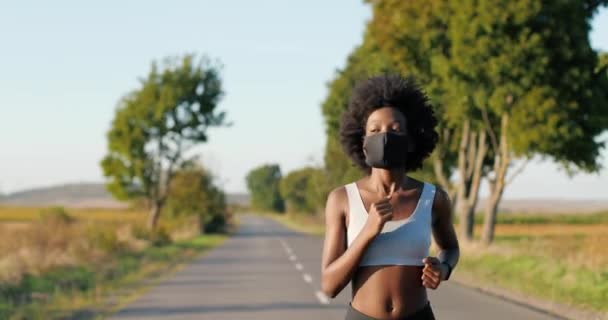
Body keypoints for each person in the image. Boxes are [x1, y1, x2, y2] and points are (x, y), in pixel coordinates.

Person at [321, 74, 460, 320]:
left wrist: (444, 267)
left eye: (395, 130)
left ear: (409, 141)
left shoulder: (433, 198)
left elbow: (450, 248)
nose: (384, 137)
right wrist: (368, 231)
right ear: (363, 142)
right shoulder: (342, 199)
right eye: (374, 131)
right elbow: (329, 286)